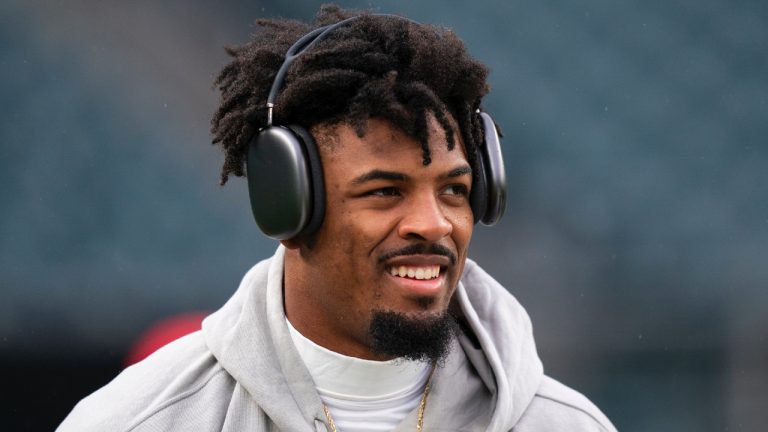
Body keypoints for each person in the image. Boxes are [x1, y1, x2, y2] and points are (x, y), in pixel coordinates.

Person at [58, 5, 616, 431]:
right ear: (290, 205)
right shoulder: (137, 422)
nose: (433, 224)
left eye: (453, 190)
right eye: (384, 192)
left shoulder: (565, 425)